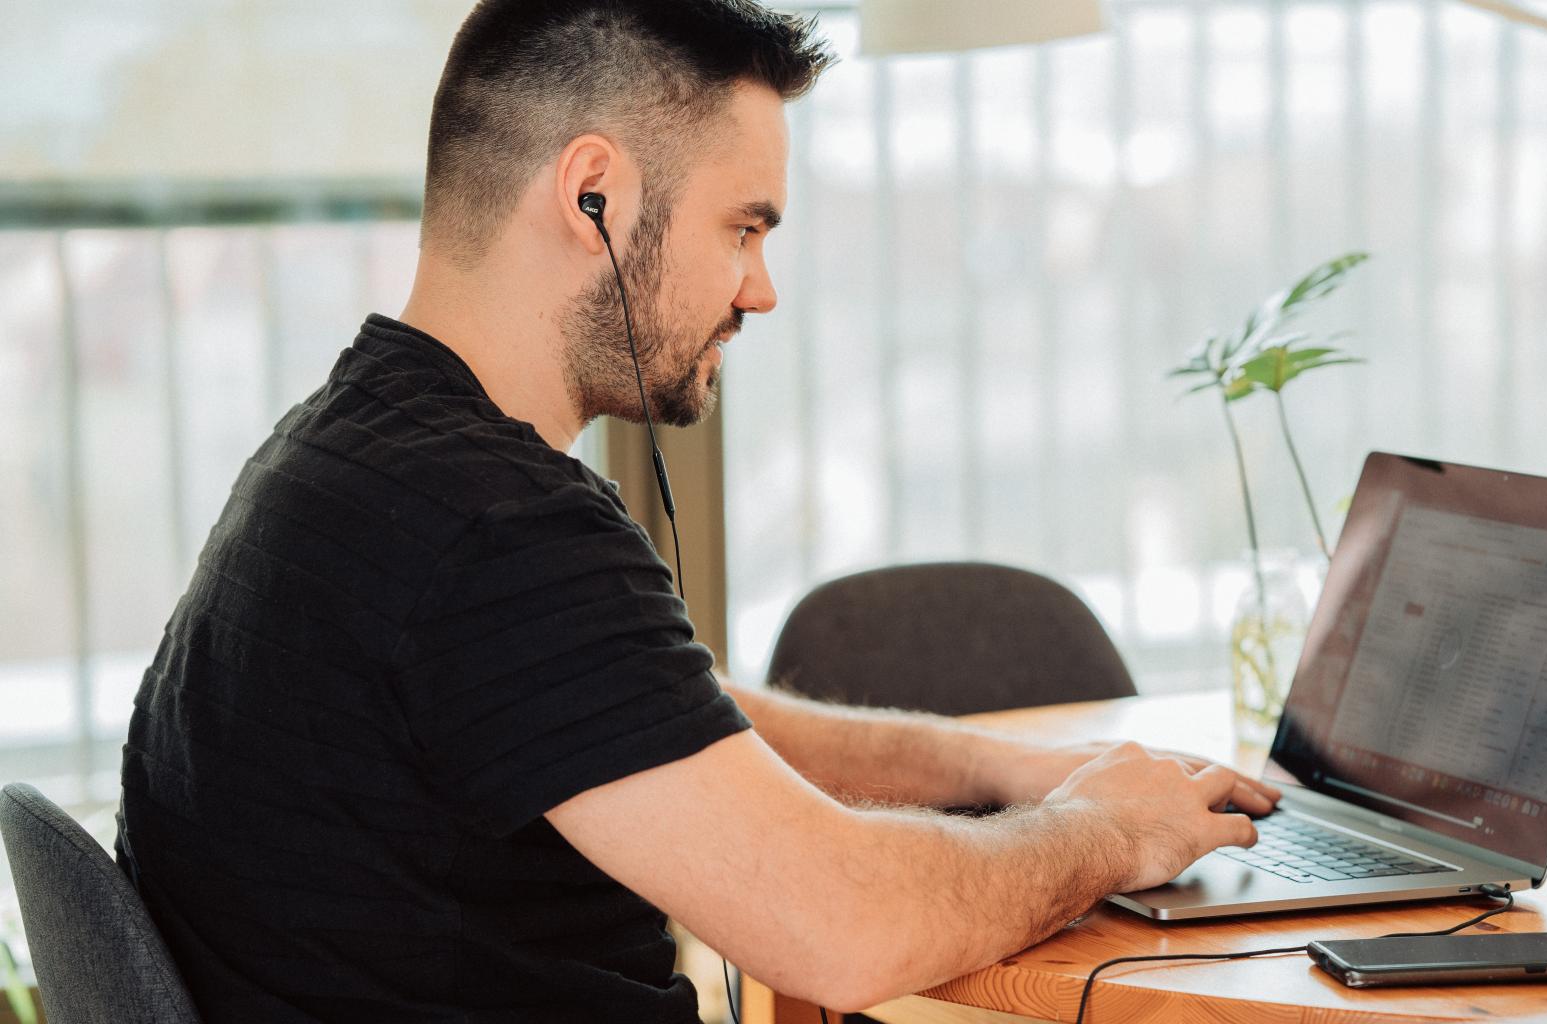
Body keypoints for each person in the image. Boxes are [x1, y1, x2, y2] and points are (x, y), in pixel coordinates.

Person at [117, 1, 1278, 1020]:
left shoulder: (350, 451)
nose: (759, 289)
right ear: (594, 196)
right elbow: (844, 929)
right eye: (745, 226)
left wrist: (999, 769)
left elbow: (667, 718)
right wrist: (1106, 832)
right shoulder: (494, 527)